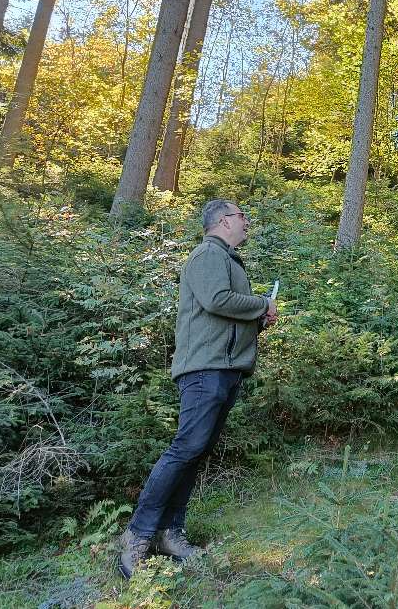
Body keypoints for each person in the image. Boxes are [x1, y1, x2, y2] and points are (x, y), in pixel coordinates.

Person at [119, 199, 278, 578]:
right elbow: (216, 300)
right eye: (242, 216)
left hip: (225, 369)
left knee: (196, 451)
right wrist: (261, 304)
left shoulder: (226, 258)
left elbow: (225, 317)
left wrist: (259, 319)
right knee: (186, 448)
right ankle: (137, 535)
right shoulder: (208, 253)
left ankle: (170, 534)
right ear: (224, 221)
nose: (246, 222)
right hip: (206, 370)